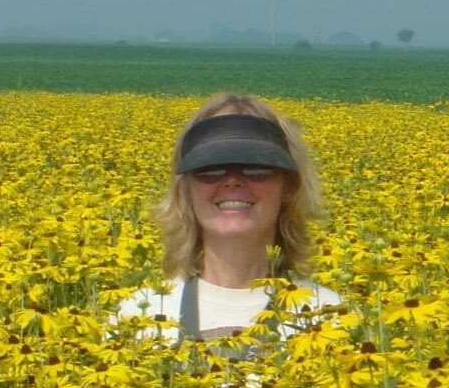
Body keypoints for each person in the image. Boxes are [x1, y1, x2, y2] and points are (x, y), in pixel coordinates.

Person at [115, 93, 340, 343]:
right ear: (185, 188)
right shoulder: (137, 316)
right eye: (210, 168)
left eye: (256, 168)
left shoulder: (330, 316)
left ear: (289, 186)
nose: (233, 181)